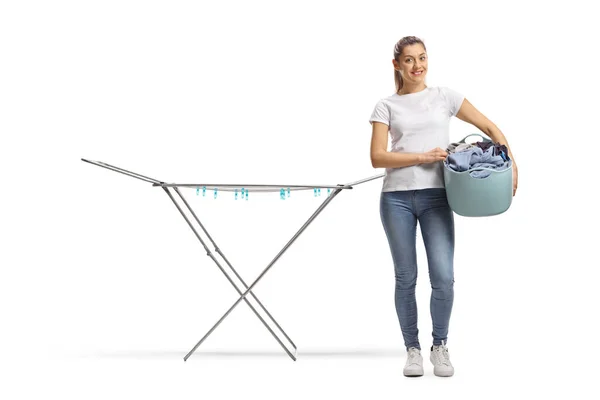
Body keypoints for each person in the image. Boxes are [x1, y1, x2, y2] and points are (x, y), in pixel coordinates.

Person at [369, 36, 518, 377]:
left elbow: (490, 128)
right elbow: (378, 157)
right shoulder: (385, 106)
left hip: (438, 196)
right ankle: (412, 350)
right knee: (406, 278)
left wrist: (513, 164)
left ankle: (440, 346)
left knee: (444, 277)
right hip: (396, 199)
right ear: (397, 65)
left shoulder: (445, 97)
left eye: (422, 58)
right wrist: (423, 156)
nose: (417, 65)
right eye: (408, 60)